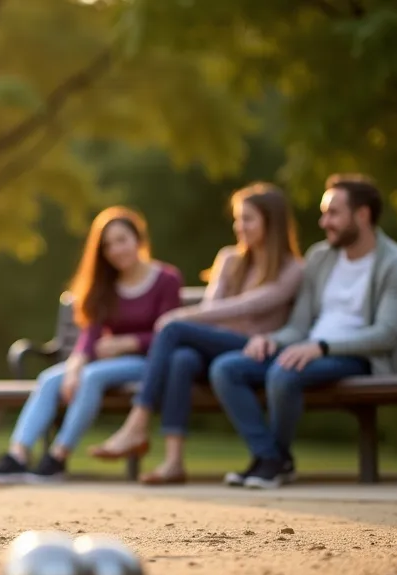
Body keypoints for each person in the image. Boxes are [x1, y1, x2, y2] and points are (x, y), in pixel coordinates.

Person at [208, 173, 397, 489]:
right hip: (308, 348)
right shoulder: (320, 258)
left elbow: (386, 334)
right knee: (226, 368)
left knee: (283, 373)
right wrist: (271, 339)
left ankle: (272, 464)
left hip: (358, 355)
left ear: (362, 215)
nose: (324, 222)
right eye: (324, 213)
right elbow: (299, 325)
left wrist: (321, 346)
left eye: (333, 213)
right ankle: (272, 459)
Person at [90, 182, 304, 485]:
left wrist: (180, 316)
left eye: (248, 219)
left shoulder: (292, 268)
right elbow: (213, 307)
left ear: (272, 221)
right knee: (181, 359)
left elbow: (248, 305)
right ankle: (174, 462)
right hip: (217, 346)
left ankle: (138, 422)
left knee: (174, 328)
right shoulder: (230, 259)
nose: (239, 226)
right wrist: (190, 320)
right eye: (237, 218)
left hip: (255, 350)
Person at [0, 207, 183, 484]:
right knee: (50, 379)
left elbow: (169, 334)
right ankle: (18, 456)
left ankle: (58, 457)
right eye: (108, 245)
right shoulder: (106, 284)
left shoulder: (167, 279)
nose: (115, 250)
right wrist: (74, 365)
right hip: (106, 363)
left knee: (92, 376)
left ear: (138, 239)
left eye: (122, 240)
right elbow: (90, 334)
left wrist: (127, 342)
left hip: (148, 362)